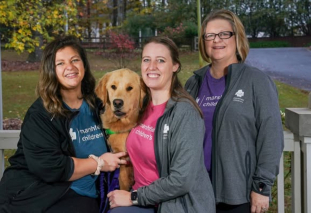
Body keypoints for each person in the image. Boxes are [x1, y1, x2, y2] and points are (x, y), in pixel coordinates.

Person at [0, 35, 127, 213]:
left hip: (87, 196)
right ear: (51, 71)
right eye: (60, 63)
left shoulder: (97, 104)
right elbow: (51, 167)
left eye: (74, 60)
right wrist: (99, 163)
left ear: (83, 65)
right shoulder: (40, 114)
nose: (69, 67)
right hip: (39, 195)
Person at [185, 9, 284, 213]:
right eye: (209, 35)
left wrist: (262, 187)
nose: (216, 40)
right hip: (196, 191)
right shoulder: (194, 83)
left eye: (224, 34)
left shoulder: (256, 81)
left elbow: (271, 136)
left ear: (236, 37)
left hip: (238, 193)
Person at [106, 36, 215, 213]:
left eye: (161, 61)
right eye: (146, 60)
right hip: (141, 198)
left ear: (175, 66)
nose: (151, 67)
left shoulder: (185, 114)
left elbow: (181, 181)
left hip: (175, 205)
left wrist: (133, 197)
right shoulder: (140, 107)